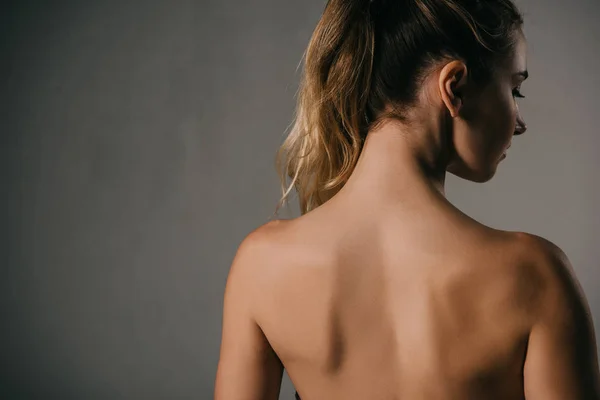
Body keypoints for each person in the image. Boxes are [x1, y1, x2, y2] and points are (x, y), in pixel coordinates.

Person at [214, 0, 600, 398]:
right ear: (455, 87)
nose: (520, 122)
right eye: (514, 88)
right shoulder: (535, 276)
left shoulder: (261, 264)